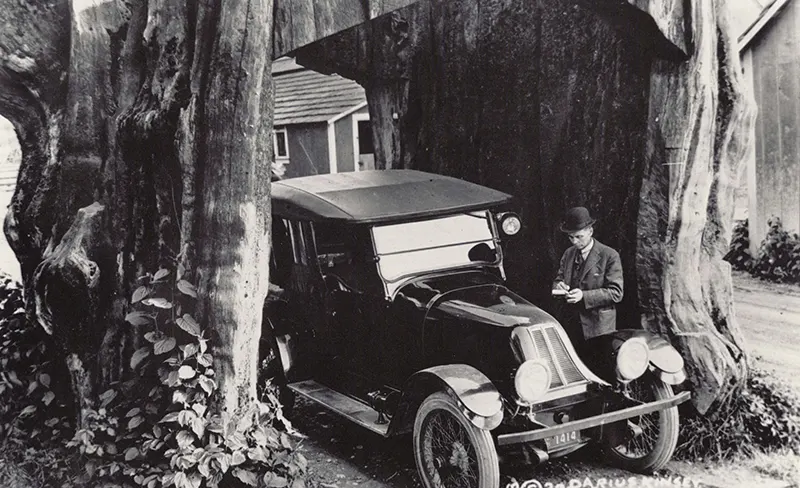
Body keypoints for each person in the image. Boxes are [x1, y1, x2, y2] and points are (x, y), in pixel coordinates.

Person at [552, 207, 623, 346]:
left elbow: (616, 293)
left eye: (579, 237)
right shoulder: (568, 253)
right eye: (571, 237)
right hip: (571, 325)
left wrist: (583, 296)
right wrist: (559, 286)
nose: (574, 242)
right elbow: (558, 279)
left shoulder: (609, 255)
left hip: (598, 329)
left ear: (590, 231)